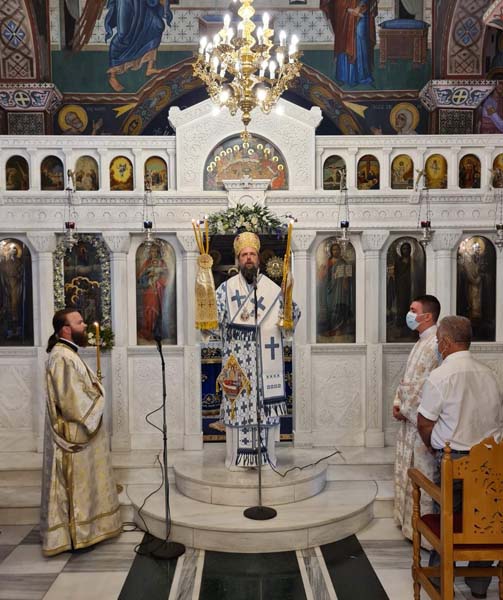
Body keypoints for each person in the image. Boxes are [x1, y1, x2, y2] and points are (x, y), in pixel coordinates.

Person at [418, 315, 503, 599]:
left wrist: (433, 446)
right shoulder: (490, 373)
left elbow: (425, 422)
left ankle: (439, 578)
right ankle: (479, 584)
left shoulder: (440, 376)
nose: (437, 346)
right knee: (486, 521)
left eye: (437, 341)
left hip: (453, 462)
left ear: (444, 342)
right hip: (491, 463)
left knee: (448, 518)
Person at [215, 232, 300, 470]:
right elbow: (211, 322)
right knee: (237, 409)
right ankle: (236, 460)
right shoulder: (225, 289)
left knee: (264, 411)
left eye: (252, 254)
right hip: (237, 365)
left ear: (258, 258)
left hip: (264, 365)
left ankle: (267, 458)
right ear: (238, 259)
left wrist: (288, 300)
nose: (249, 258)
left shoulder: (272, 289)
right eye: (244, 255)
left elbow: (292, 316)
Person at [40, 309, 122, 556]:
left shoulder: (68, 353)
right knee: (77, 486)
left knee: (86, 485)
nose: (84, 325)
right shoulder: (62, 357)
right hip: (75, 433)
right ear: (66, 329)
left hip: (78, 432)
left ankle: (89, 530)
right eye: (79, 322)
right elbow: (72, 402)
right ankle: (79, 535)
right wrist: (99, 396)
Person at [393, 294, 441, 543]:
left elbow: (427, 386)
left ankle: (424, 536)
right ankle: (408, 525)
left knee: (423, 473)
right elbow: (407, 380)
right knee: (411, 471)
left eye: (413, 310)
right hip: (409, 419)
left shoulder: (436, 344)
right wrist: (397, 402)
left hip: (422, 423)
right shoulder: (422, 341)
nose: (409, 314)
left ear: (427, 316)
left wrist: (405, 408)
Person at [104, 0, 173, 92]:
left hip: (142, 4)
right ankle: (112, 75)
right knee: (123, 35)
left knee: (157, 25)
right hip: (125, 2)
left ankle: (150, 68)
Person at [321, 0, 377, 86]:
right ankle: (344, 76)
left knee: (361, 40)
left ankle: (363, 77)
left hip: (362, 9)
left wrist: (360, 6)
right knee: (344, 41)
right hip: (343, 10)